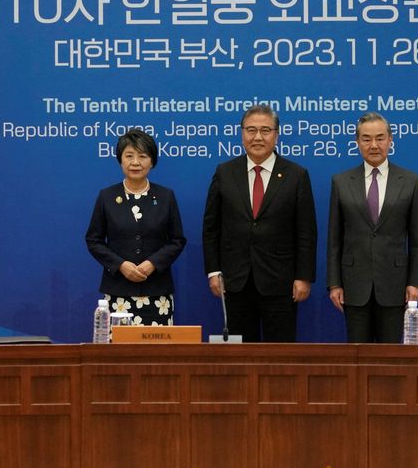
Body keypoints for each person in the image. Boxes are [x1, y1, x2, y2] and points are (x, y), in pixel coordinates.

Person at [203, 104, 317, 342]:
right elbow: (211, 227)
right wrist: (214, 271)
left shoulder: (296, 175)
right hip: (236, 281)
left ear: (276, 134)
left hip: (281, 281)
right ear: (241, 133)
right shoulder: (225, 172)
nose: (257, 137)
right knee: (240, 355)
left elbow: (306, 231)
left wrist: (304, 276)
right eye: (251, 130)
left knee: (281, 354)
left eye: (265, 130)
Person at [327, 112, 418, 343]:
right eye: (366, 138)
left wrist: (414, 282)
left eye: (380, 138)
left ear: (391, 140)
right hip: (353, 285)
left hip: (394, 284)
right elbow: (334, 239)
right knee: (358, 356)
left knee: (389, 358)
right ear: (357, 142)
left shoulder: (411, 181)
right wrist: (334, 283)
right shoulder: (341, 182)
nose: (374, 145)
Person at [85, 128, 186, 325]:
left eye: (142, 156)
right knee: (118, 353)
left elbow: (177, 240)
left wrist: (153, 264)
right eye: (129, 156)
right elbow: (93, 240)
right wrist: (120, 265)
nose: (135, 162)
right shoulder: (107, 197)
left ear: (152, 161)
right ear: (120, 159)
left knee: (157, 352)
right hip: (117, 293)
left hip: (158, 293)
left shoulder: (166, 197)